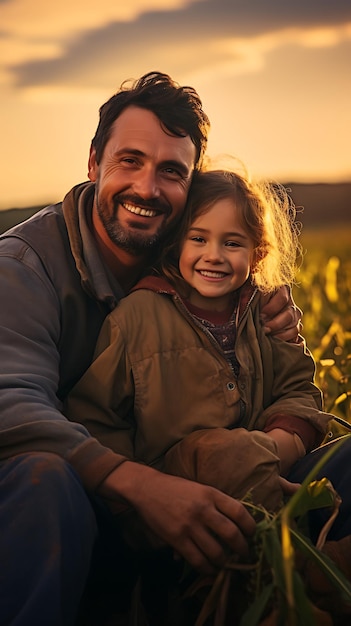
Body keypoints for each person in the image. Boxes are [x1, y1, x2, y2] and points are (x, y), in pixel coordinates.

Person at [0, 71, 305, 626]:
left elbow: (286, 376)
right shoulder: (21, 268)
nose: (147, 188)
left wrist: (270, 314)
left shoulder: (192, 264)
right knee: (43, 478)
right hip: (79, 500)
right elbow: (10, 407)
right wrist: (146, 488)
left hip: (213, 476)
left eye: (171, 171)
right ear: (94, 163)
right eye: (130, 161)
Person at [65, 169, 332, 520]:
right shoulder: (135, 318)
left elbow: (298, 388)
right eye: (199, 239)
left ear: (257, 253)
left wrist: (277, 446)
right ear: (176, 244)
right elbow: (98, 417)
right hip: (172, 499)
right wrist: (135, 504)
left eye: (232, 243)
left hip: (274, 471)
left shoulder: (263, 311)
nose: (214, 256)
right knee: (220, 454)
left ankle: (291, 555)